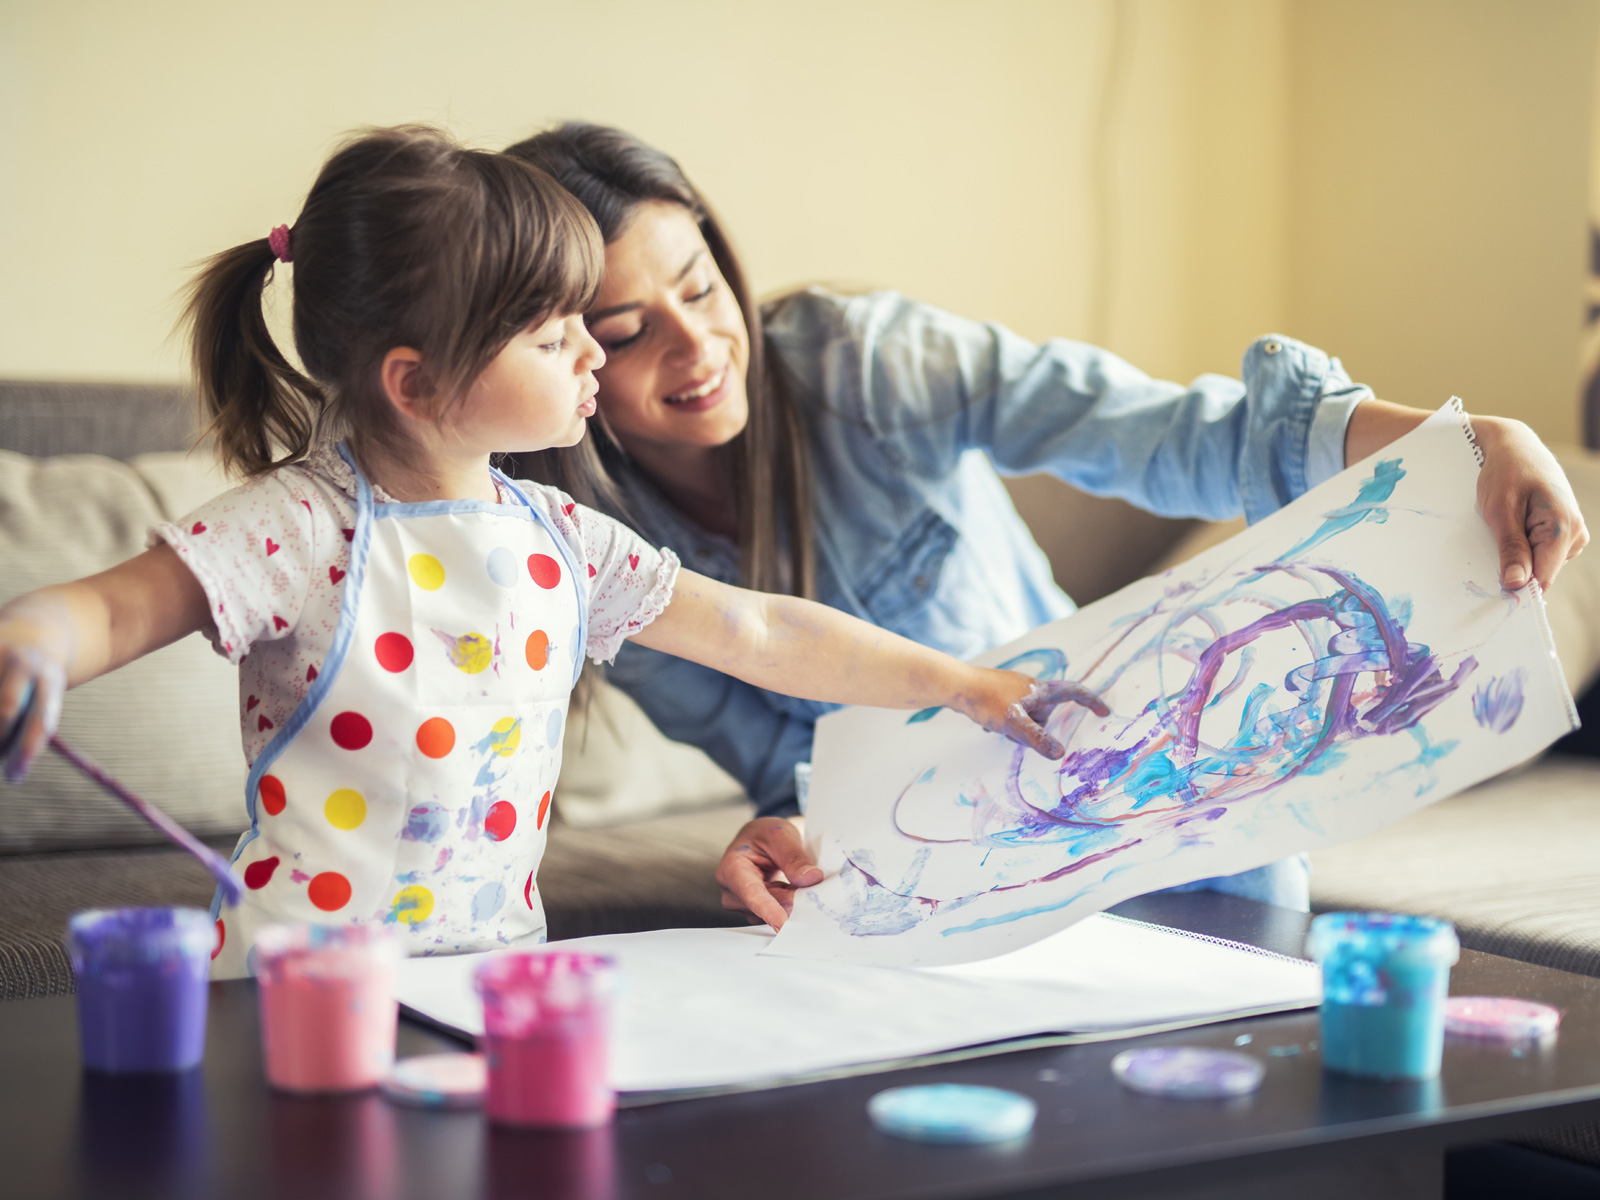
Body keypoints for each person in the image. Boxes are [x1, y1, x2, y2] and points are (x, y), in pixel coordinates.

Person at [0, 126, 1092, 978]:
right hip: (299, 982)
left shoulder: (563, 539)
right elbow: (110, 608)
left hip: (498, 973)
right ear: (417, 382)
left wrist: (955, 683)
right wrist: (36, 640)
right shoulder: (297, 526)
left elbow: (757, 629)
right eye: (558, 332)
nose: (590, 355)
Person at [504, 122, 1590, 930]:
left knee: (1248, 916)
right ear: (562, 352)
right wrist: (828, 838)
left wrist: (1462, 441)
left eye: (702, 290)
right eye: (627, 330)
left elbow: (1173, 435)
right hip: (893, 842)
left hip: (1112, 763)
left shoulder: (863, 362)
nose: (696, 349)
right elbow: (777, 755)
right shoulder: (593, 547)